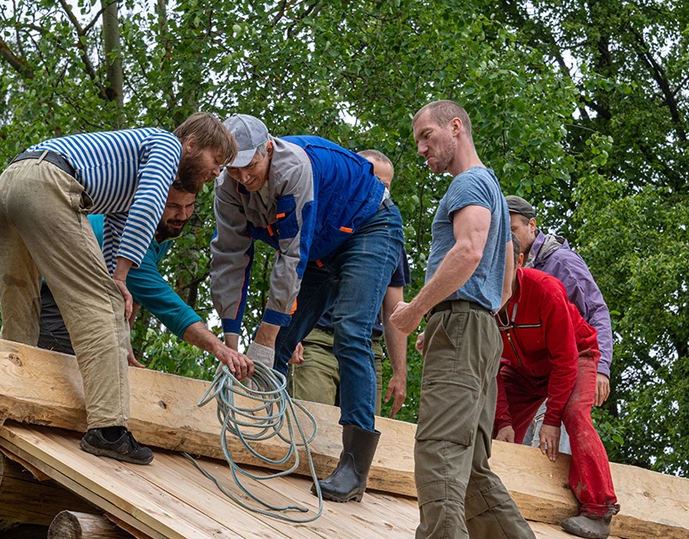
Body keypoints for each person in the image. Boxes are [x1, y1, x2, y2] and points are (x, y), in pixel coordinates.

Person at [375, 100, 555, 539]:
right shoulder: (494, 190)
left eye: (428, 136)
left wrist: (418, 312)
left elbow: (469, 251)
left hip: (464, 327)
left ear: (456, 127)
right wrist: (465, 314)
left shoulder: (468, 184)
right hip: (480, 330)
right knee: (471, 460)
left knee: (438, 445)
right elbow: (503, 276)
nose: (423, 150)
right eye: (418, 143)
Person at [0, 113, 236, 466]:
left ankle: (9, 389)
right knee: (103, 302)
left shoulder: (131, 165)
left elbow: (115, 235)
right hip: (49, 185)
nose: (216, 173)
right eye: (216, 161)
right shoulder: (167, 146)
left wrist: (116, 281)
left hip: (11, 182)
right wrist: (117, 283)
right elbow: (149, 207)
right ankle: (108, 429)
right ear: (192, 144)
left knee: (20, 296)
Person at [210, 115, 404, 502]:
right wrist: (232, 344)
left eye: (250, 167)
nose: (243, 177)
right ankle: (265, 439)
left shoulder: (295, 166)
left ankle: (354, 469)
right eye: (234, 169)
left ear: (268, 149)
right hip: (321, 249)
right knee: (280, 343)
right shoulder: (228, 187)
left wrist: (263, 340)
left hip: (368, 228)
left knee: (350, 331)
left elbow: (290, 256)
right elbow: (229, 259)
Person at [36, 183, 255, 380]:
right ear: (154, 202)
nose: (183, 215)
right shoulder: (130, 236)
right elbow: (170, 308)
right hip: (55, 298)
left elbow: (134, 293)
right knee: (60, 379)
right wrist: (219, 348)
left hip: (89, 301)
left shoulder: (165, 230)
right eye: (173, 206)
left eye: (189, 206)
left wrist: (124, 338)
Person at [494, 234, 620, 539]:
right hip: (523, 369)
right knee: (486, 415)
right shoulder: (481, 300)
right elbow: (489, 367)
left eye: (505, 266)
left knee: (574, 414)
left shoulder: (546, 290)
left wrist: (551, 419)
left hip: (575, 356)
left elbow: (565, 361)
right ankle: (490, 494)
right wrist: (504, 420)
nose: (496, 275)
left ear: (520, 262)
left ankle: (599, 509)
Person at [289, 149, 411, 418]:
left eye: (385, 185)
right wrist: (288, 334)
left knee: (363, 433)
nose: (376, 189)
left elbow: (394, 310)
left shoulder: (389, 236)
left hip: (367, 349)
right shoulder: (325, 219)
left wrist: (400, 372)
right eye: (370, 179)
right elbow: (290, 272)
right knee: (310, 427)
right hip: (317, 341)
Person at [506, 196, 613, 407]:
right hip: (526, 380)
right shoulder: (505, 268)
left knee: (549, 438)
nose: (508, 238)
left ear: (532, 225)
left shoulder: (562, 262)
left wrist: (601, 368)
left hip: (564, 373)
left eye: (512, 229)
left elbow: (596, 311)